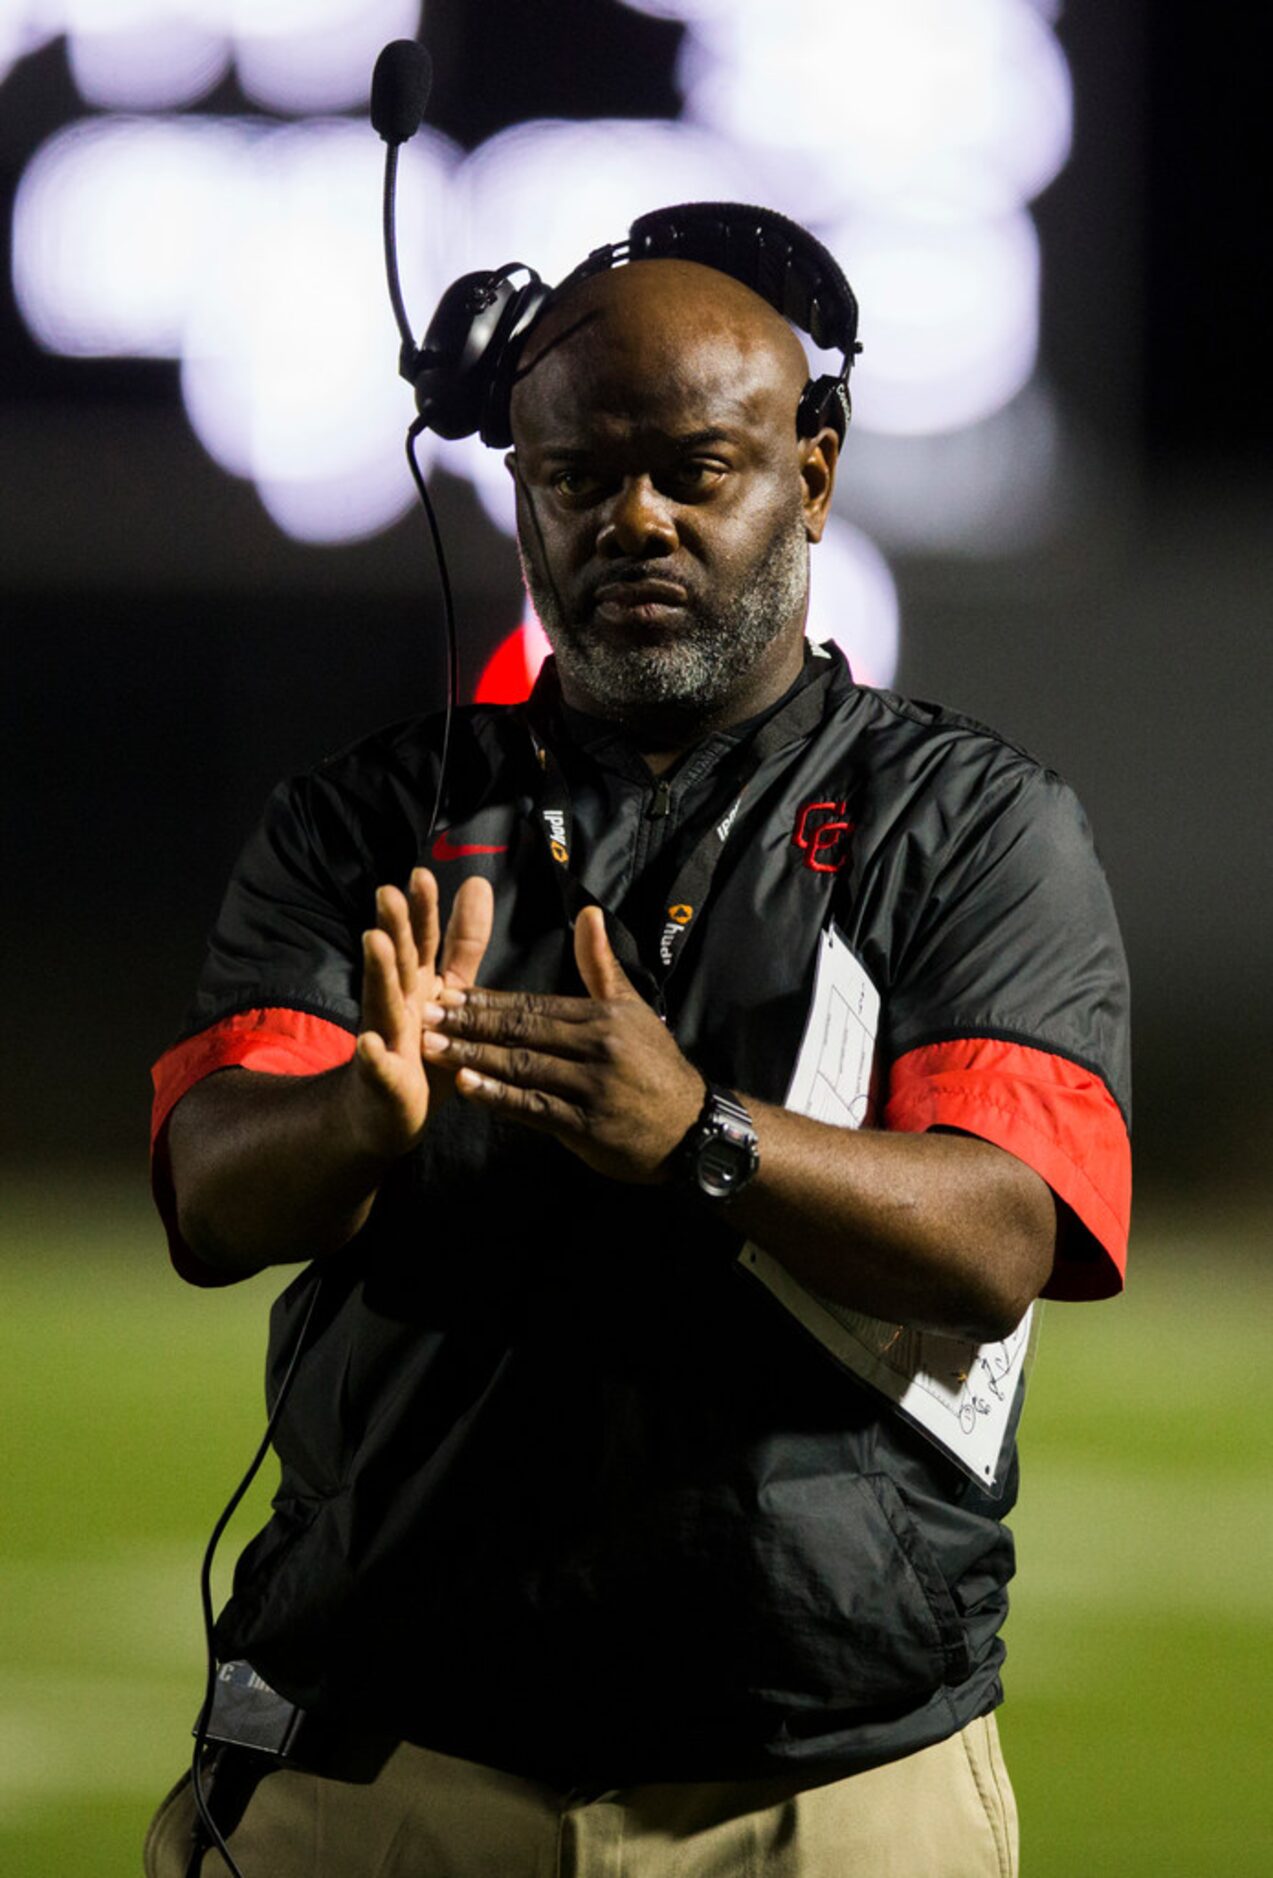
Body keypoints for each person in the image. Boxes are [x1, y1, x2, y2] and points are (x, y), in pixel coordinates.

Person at [145, 241, 1130, 1877]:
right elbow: (208, 1194)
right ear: (516, 493)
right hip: (390, 1758)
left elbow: (1003, 1232)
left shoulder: (968, 826)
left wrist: (699, 1136)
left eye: (695, 469)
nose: (635, 520)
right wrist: (354, 1118)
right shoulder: (369, 818)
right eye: (577, 476)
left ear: (808, 475)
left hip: (822, 1784)